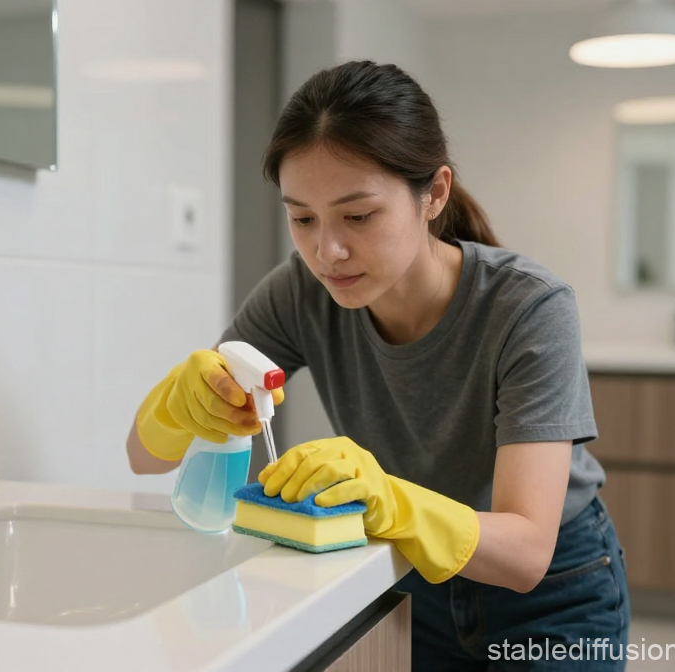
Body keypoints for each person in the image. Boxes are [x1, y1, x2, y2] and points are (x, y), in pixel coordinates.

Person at [126, 60, 629, 671]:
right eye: (302, 218)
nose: (326, 251)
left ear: (434, 193)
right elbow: (144, 458)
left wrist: (387, 499)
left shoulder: (529, 308)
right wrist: (183, 403)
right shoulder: (298, 294)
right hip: (406, 575)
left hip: (553, 597)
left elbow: (525, 553)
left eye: (358, 216)